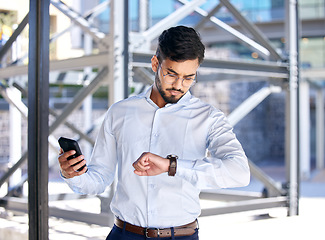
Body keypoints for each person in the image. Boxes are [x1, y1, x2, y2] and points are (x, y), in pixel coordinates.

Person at [58, 25, 250, 240]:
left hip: (181, 236)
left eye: (189, 77)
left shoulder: (208, 118)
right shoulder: (120, 112)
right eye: (171, 74)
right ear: (155, 64)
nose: (179, 85)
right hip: (123, 234)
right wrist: (73, 174)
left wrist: (171, 166)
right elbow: (100, 178)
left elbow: (239, 172)